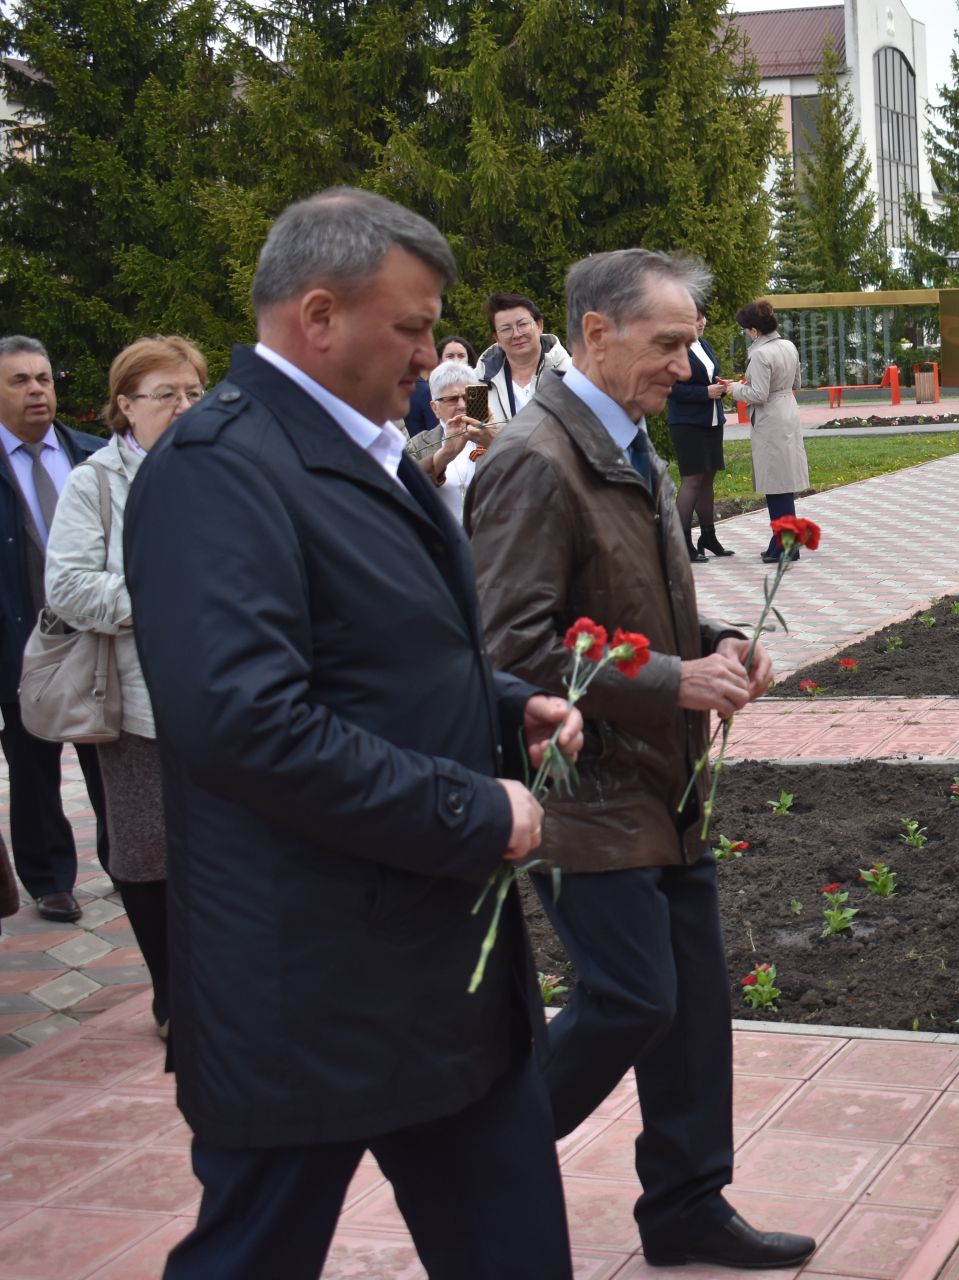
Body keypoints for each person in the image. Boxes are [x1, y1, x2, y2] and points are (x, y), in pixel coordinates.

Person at [122, 187, 579, 1279]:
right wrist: (473, 808)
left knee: (513, 1250)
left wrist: (508, 707)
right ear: (317, 316)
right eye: (412, 326)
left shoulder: (363, 444)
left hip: (433, 970)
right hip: (309, 985)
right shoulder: (220, 467)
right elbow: (243, 721)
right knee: (254, 1253)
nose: (433, 355)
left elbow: (388, 653)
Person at [466, 249, 814, 1272]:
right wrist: (673, 680)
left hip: (667, 776)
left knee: (695, 1007)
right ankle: (484, 1156)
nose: (688, 363)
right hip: (588, 782)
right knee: (635, 995)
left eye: (692, 340)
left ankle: (686, 1205)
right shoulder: (535, 457)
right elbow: (510, 652)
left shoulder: (629, 443)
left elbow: (628, 608)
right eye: (668, 343)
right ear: (595, 333)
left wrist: (709, 643)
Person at [43, 336, 206, 1038]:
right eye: (165, 394)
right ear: (124, 406)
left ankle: (224, 985)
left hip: (229, 696)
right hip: (136, 699)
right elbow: (69, 587)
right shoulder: (96, 482)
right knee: (147, 853)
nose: (183, 406)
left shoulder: (222, 470)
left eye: (195, 392)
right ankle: (172, 995)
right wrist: (166, 595)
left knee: (229, 849)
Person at [0, 334, 110, 925]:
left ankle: (123, 862)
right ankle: (51, 880)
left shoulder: (92, 456)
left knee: (106, 753)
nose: (37, 390)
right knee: (33, 762)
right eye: (20, 380)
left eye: (43, 378)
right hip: (19, 642)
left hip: (95, 637)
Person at [730, 299, 809, 565]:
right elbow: (796, 382)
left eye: (746, 330)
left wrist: (733, 388)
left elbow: (757, 394)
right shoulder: (788, 345)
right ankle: (780, 542)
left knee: (776, 484)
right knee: (781, 481)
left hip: (770, 419)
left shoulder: (761, 354)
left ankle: (788, 545)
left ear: (754, 330)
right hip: (788, 410)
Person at [665, 300, 734, 563]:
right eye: (695, 318)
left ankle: (708, 536)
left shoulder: (703, 345)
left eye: (703, 317)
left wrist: (720, 385)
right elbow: (670, 388)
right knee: (692, 480)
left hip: (712, 421)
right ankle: (682, 542)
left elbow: (706, 377)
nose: (701, 322)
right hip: (688, 424)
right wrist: (704, 392)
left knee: (707, 480)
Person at [416, 358, 493, 521]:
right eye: (452, 399)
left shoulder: (496, 434)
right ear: (434, 408)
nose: (461, 405)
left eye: (467, 397)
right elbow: (407, 486)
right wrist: (446, 454)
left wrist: (494, 442)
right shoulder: (419, 444)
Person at [478, 292, 570, 425]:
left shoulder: (572, 372)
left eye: (522, 324)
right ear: (496, 338)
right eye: (506, 329)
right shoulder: (479, 381)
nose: (516, 334)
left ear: (539, 325)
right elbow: (476, 436)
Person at [403, 334, 476, 438]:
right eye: (450, 356)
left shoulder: (483, 385)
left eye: (461, 356)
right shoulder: (425, 390)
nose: (456, 360)